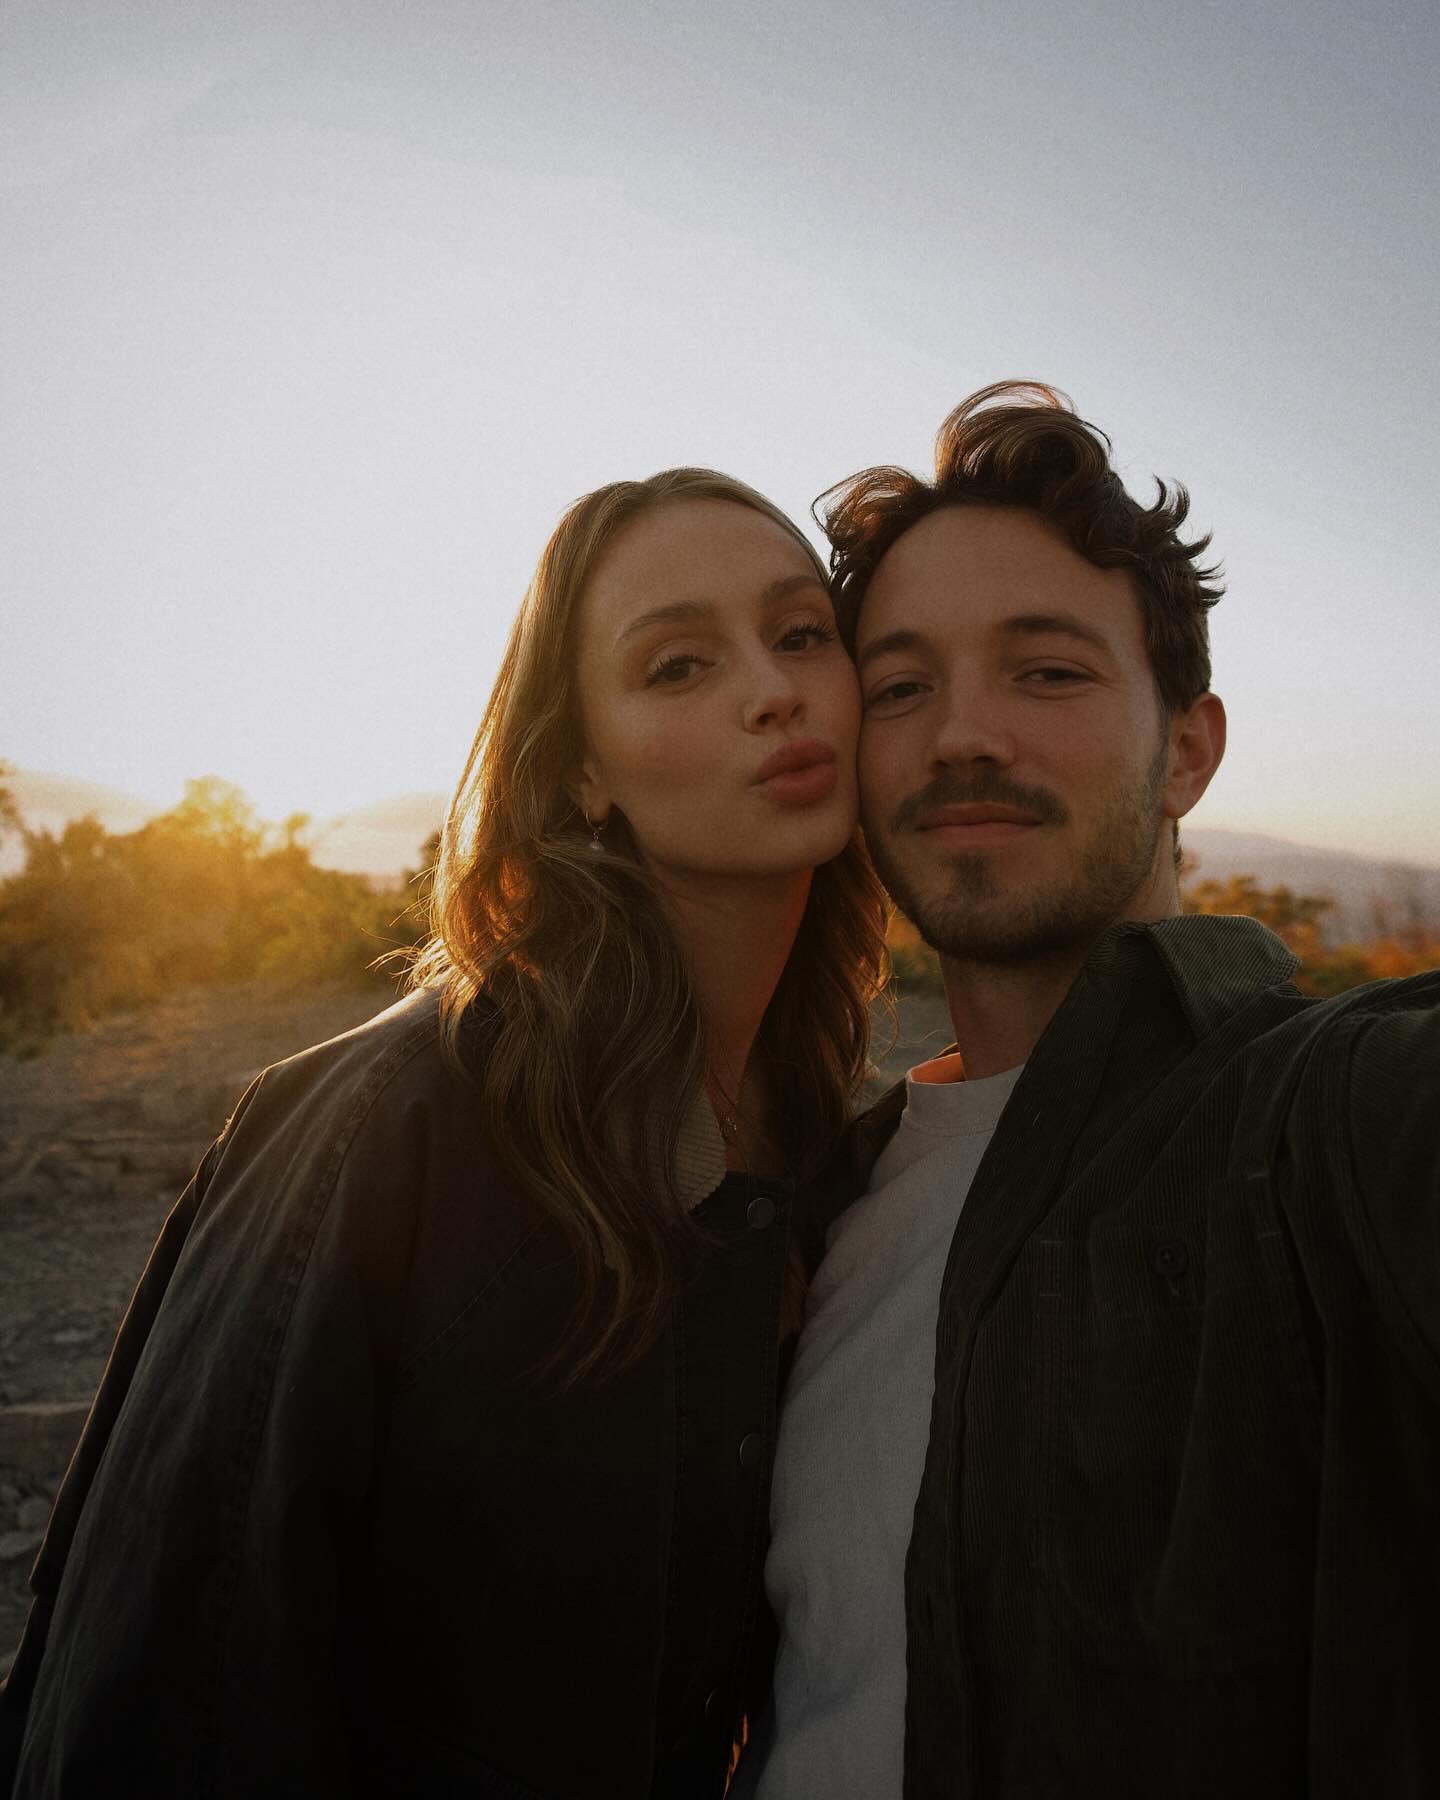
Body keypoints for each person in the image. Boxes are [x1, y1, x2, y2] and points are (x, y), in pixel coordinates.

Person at [0, 469, 888, 1797]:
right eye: (680, 664)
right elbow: (152, 1699)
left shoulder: (830, 1146)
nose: (774, 690)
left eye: (802, 633)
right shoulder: (377, 1124)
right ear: (581, 768)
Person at [746, 382, 1440, 1798]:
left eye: (1047, 671)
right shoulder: (809, 1200)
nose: (961, 737)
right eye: (901, 687)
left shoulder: (1320, 1120)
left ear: (1187, 748)